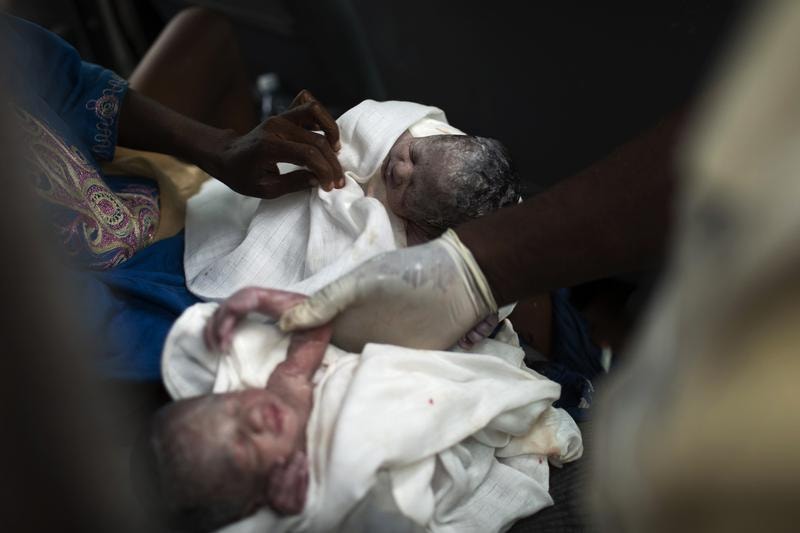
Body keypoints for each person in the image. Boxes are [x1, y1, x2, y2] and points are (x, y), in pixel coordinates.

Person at [0, 7, 345, 379]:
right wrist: (232, 346)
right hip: (98, 299)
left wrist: (221, 148)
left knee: (202, 31)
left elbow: (68, 86)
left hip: (116, 190)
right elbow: (76, 328)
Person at [136, 287, 582, 533]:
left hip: (419, 384)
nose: (254, 418)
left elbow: (315, 325)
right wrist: (302, 505)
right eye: (247, 447)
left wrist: (265, 301)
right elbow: (361, 511)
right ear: (257, 497)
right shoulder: (294, 494)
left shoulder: (284, 384)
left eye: (232, 406)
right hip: (408, 445)